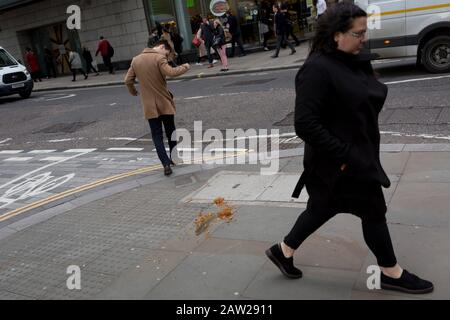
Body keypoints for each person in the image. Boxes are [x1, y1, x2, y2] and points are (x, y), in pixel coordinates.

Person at [266, 2, 434, 295]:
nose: (363, 39)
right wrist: (347, 155)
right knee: (373, 212)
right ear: (336, 35)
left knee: (321, 208)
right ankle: (390, 272)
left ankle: (283, 250)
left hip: (352, 157)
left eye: (364, 32)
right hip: (340, 164)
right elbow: (305, 125)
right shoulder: (316, 70)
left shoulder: (351, 59)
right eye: (358, 34)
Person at [124, 39, 190, 176]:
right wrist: (185, 67)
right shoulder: (159, 58)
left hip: (149, 105)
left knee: (156, 136)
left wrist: (133, 92)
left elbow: (127, 80)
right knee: (171, 131)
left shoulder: (136, 60)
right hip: (164, 102)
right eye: (166, 53)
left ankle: (165, 164)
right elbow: (171, 72)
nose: (166, 56)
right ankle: (174, 157)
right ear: (161, 47)